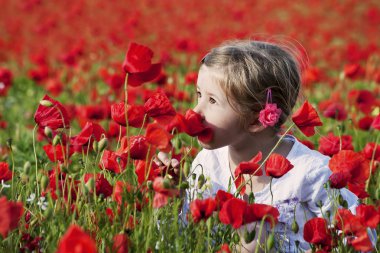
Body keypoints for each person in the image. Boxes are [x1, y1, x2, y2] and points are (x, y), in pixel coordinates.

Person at [155, 40, 359, 252]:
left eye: (212, 101)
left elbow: (360, 240)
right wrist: (175, 201)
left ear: (256, 120)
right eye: (199, 95)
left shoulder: (310, 174)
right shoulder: (207, 163)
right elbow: (185, 241)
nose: (195, 111)